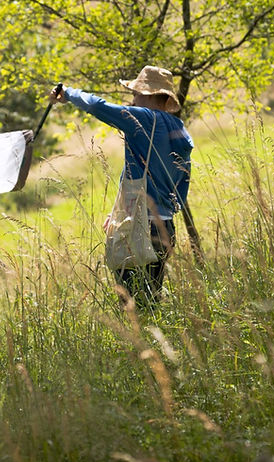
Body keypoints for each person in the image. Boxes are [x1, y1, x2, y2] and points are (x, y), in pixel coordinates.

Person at [50, 65, 193, 308]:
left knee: (130, 307)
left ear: (149, 95)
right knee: (152, 302)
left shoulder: (144, 118)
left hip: (139, 227)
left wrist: (69, 93)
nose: (133, 99)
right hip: (166, 226)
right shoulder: (179, 128)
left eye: (136, 94)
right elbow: (182, 180)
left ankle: (140, 346)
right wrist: (121, 211)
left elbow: (97, 106)